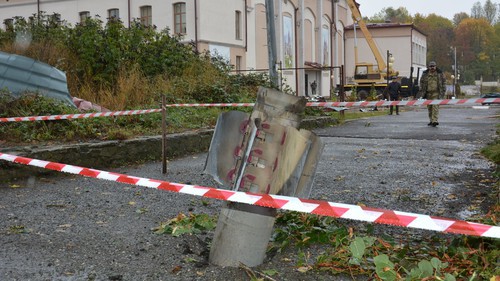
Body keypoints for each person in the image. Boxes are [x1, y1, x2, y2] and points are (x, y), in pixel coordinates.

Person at [418, 61, 446, 127]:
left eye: (433, 66)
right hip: (428, 93)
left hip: (436, 93)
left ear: (435, 66)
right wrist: (421, 91)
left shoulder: (440, 73)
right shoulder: (425, 74)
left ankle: (435, 121)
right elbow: (421, 82)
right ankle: (431, 120)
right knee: (430, 108)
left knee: (435, 107)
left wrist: (443, 91)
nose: (432, 68)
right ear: (428, 67)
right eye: (431, 66)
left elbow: (443, 82)